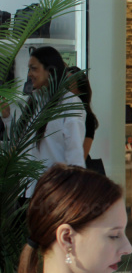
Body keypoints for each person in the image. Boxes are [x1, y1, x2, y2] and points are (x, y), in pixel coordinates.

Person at [1, 46, 86, 194]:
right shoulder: (34, 100)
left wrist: (74, 194)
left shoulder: (69, 104)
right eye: (28, 69)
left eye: (34, 69)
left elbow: (75, 153)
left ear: (50, 71)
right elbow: (20, 143)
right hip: (27, 191)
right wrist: (7, 118)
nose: (29, 74)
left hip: (55, 193)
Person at [66, 66, 102, 169]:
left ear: (80, 89)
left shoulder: (87, 118)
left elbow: (82, 155)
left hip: (75, 172)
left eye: (69, 83)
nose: (65, 87)